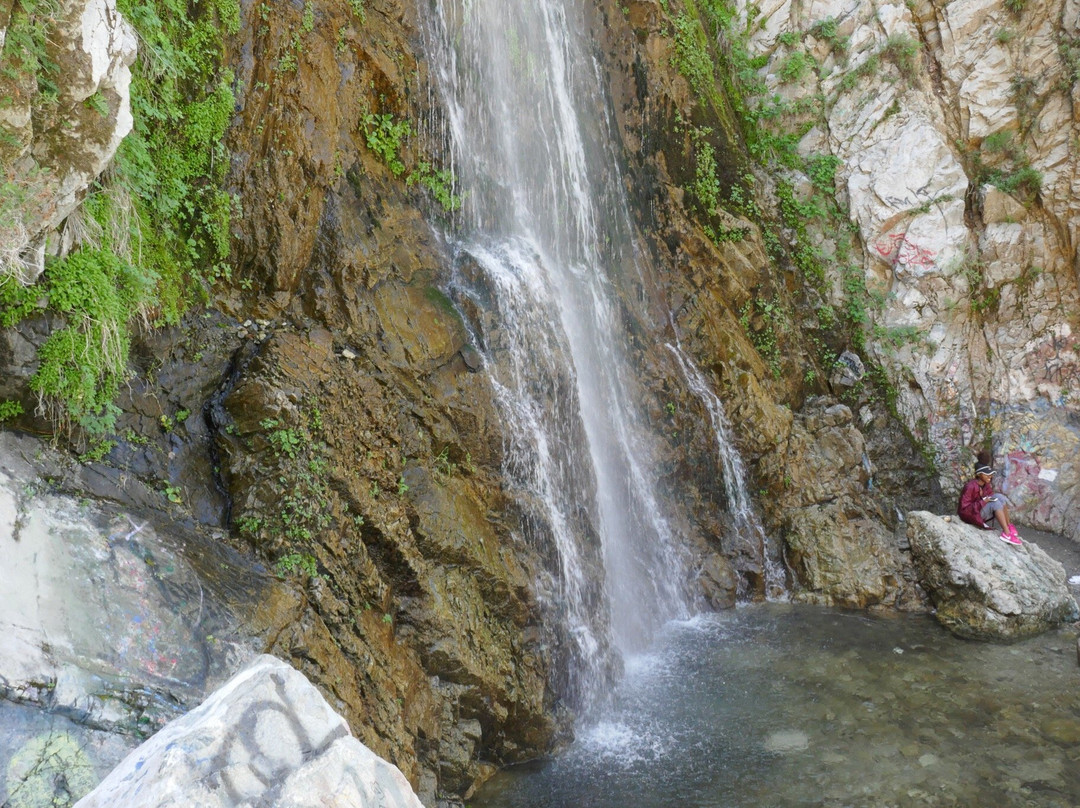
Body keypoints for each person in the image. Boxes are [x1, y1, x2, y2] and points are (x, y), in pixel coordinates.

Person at [957, 463, 1022, 546]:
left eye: (990, 474)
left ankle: (1009, 525)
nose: (990, 476)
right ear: (979, 474)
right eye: (986, 474)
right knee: (996, 504)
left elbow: (991, 495)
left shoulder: (986, 484)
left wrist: (985, 499)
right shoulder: (970, 487)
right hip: (971, 515)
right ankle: (1006, 533)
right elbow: (964, 510)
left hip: (979, 510)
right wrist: (983, 501)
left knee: (1000, 497)